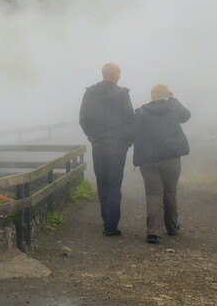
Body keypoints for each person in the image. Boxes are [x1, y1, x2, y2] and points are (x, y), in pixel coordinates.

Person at [79, 62, 135, 236]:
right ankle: (111, 225)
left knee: (102, 181)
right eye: (119, 73)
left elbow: (83, 119)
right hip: (117, 146)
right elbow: (130, 119)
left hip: (99, 144)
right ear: (114, 73)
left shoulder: (90, 93)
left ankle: (106, 219)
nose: (120, 76)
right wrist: (126, 142)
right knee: (114, 183)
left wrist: (93, 137)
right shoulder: (122, 95)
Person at [132, 84, 191, 244]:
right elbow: (186, 116)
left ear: (152, 95)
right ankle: (172, 227)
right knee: (170, 193)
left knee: (153, 194)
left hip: (149, 160)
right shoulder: (173, 107)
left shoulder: (142, 111)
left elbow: (133, 131)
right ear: (167, 94)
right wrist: (174, 98)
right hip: (171, 158)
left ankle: (154, 232)